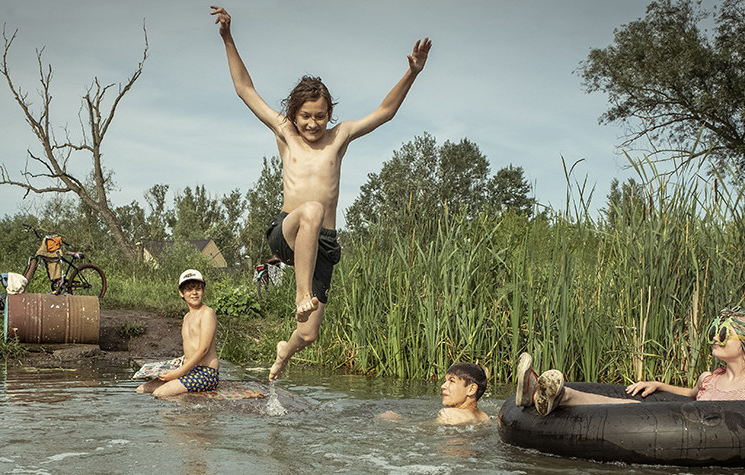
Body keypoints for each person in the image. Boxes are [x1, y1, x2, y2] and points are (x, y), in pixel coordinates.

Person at [210, 5, 432, 381]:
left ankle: (285, 351)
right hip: (288, 232)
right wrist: (228, 38)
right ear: (293, 114)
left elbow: (385, 112)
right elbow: (245, 89)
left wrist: (411, 73)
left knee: (310, 333)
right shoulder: (285, 133)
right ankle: (299, 295)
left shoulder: (340, 137)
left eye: (320, 115)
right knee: (311, 208)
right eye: (306, 116)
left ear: (329, 113)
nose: (313, 123)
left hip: (323, 243)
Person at [513, 307, 745, 424]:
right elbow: (692, 393)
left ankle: (554, 394)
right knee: (626, 405)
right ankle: (548, 392)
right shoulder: (708, 377)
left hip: (718, 441)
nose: (714, 339)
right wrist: (659, 385)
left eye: (722, 334)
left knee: (629, 410)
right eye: (713, 332)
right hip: (688, 423)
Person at [135, 269, 220, 398]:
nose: (194, 293)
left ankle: (182, 416)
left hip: (206, 373)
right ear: (182, 293)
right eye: (189, 289)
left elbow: (204, 349)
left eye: (198, 289)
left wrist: (178, 373)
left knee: (160, 393)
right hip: (188, 369)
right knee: (142, 389)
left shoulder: (207, 313)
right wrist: (173, 368)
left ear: (203, 290)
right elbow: (189, 349)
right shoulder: (186, 317)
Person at [379, 362, 492, 426]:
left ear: (471, 389)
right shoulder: (485, 418)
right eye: (445, 381)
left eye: (452, 381)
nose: (443, 386)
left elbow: (421, 431)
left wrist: (397, 421)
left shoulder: (449, 415)